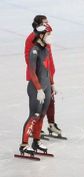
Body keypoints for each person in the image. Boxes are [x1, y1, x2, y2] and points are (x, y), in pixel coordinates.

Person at [25, 15, 62, 137]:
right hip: (38, 76)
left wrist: (51, 79)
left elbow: (48, 58)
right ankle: (34, 129)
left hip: (47, 75)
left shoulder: (45, 38)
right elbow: (30, 60)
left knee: (50, 100)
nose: (47, 24)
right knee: (38, 106)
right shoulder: (32, 39)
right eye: (45, 23)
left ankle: (51, 124)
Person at [20, 23, 53, 154]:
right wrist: (39, 89)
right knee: (35, 115)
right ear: (41, 35)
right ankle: (23, 144)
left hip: (46, 87)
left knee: (42, 115)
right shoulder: (34, 51)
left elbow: (48, 69)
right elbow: (32, 72)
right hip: (36, 88)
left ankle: (36, 141)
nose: (50, 37)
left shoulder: (47, 48)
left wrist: (52, 84)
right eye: (48, 34)